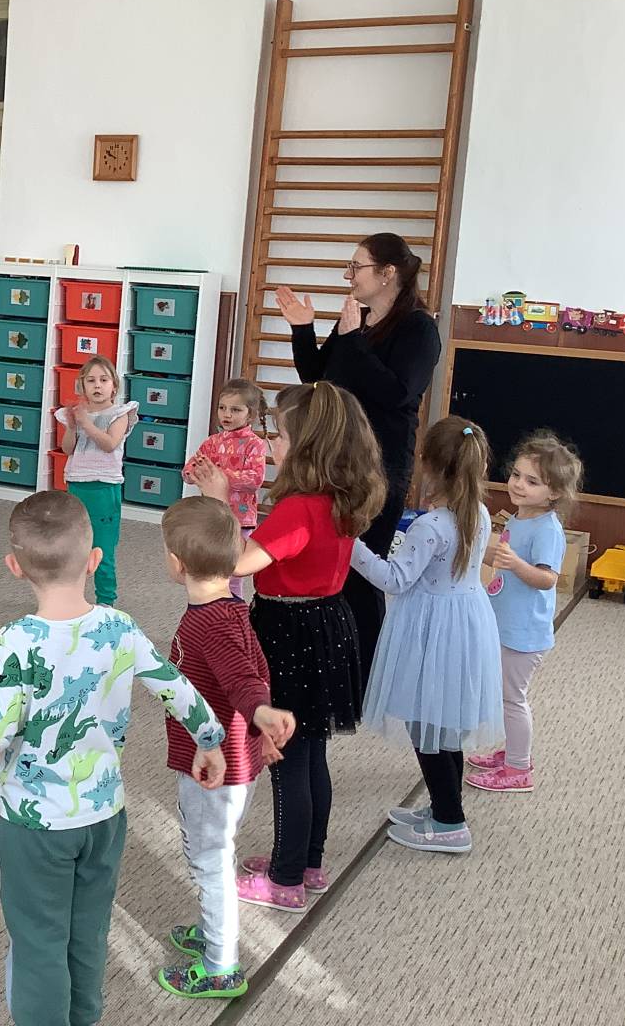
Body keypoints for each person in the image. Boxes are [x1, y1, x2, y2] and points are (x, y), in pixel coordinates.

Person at [0, 490, 227, 1026]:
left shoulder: (17, 640)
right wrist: (210, 738)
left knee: (38, 938)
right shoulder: (120, 627)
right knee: (89, 930)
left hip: (34, 824)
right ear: (94, 560)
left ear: (14, 567)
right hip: (104, 816)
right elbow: (175, 686)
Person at [194, 381, 385, 912]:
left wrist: (219, 502)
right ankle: (307, 862)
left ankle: (284, 879)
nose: (271, 444)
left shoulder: (299, 509)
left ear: (307, 446)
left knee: (287, 757)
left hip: (290, 632)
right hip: (327, 624)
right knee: (312, 752)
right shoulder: (340, 499)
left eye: (278, 435)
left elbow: (236, 563)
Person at [278, 232, 442, 676]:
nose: (348, 276)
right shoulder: (358, 317)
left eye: (356, 266)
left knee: (363, 571)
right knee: (330, 563)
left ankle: (367, 673)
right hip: (337, 458)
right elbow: (318, 376)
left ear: (387, 273)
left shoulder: (419, 328)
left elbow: (397, 393)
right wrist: (302, 328)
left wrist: (353, 340)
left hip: (380, 467)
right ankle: (332, 662)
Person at [155, 496, 296, 1000]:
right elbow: (257, 669)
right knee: (215, 852)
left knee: (209, 860)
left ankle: (220, 965)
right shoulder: (232, 609)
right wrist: (263, 730)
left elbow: (242, 681)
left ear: (177, 564)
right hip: (239, 758)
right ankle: (213, 932)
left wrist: (261, 715)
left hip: (214, 769)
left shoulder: (207, 623)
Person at [350, 417, 504, 854]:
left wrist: (351, 545)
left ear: (428, 463)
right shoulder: (479, 513)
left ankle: (450, 822)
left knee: (426, 724)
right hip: (464, 622)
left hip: (433, 628)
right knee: (444, 721)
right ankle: (443, 806)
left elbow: (394, 580)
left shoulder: (431, 525)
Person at [466, 430, 580, 794]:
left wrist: (516, 564)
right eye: (516, 475)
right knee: (503, 695)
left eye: (532, 482)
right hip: (506, 625)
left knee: (511, 699)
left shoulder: (547, 529)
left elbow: (547, 579)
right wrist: (470, 547)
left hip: (524, 633)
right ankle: (513, 753)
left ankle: (518, 769)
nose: (518, 484)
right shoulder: (520, 518)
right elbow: (501, 557)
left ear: (554, 492)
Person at [55, 356, 139, 608]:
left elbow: (109, 443)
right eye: (91, 380)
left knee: (102, 547)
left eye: (104, 380)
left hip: (104, 487)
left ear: (114, 386)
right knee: (73, 545)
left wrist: (86, 424)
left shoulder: (119, 414)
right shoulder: (78, 414)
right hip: (77, 484)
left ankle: (105, 600)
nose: (97, 385)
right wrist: (73, 427)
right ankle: (70, 596)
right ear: (82, 386)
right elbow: (67, 449)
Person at [182, 378, 270, 598]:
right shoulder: (212, 442)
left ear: (250, 415)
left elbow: (255, 479)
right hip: (210, 516)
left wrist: (219, 476)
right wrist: (193, 474)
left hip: (239, 520)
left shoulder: (255, 444)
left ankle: (234, 610)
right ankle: (210, 607)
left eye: (235, 410)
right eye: (222, 408)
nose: (226, 414)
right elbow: (190, 470)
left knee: (232, 572)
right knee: (209, 570)